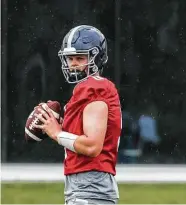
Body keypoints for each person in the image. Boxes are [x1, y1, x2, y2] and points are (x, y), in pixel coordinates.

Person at [34, 25, 121, 204]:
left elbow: (92, 146)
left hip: (90, 187)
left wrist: (57, 133)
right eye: (70, 58)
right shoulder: (87, 89)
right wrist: (59, 121)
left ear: (97, 58)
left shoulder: (94, 88)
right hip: (86, 187)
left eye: (80, 58)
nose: (73, 63)